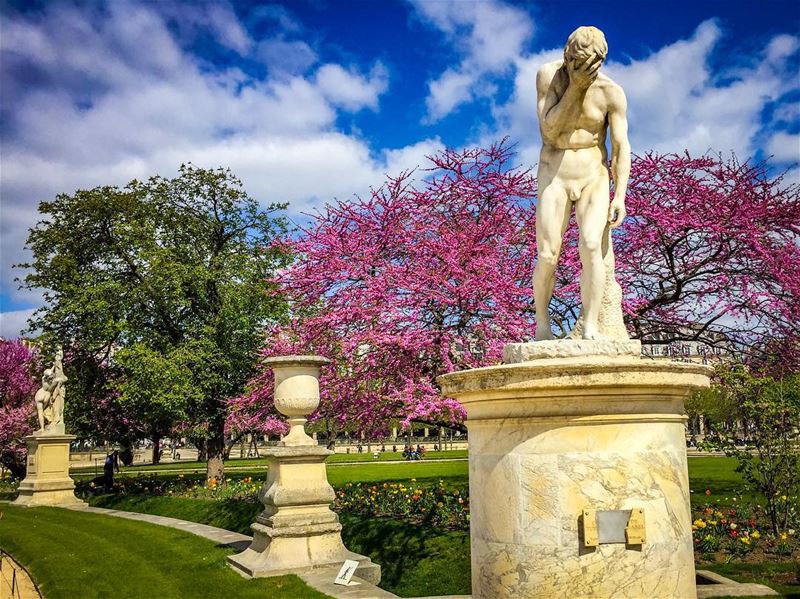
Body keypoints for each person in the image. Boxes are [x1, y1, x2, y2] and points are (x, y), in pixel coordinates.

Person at [533, 26, 630, 340]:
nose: (580, 69)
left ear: (599, 62)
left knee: (591, 247)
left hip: (593, 175)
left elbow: (621, 146)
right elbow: (549, 130)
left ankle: (590, 325)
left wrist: (621, 196)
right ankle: (542, 326)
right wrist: (574, 88)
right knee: (548, 254)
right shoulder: (550, 77)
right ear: (566, 55)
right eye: (574, 62)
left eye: (587, 65)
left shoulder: (611, 92)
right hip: (554, 171)